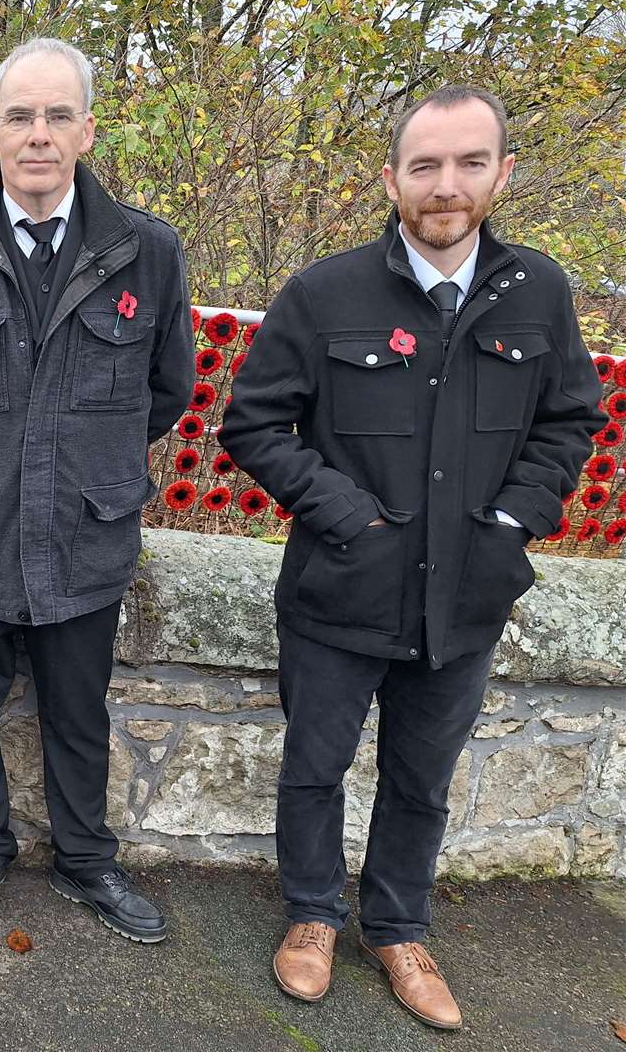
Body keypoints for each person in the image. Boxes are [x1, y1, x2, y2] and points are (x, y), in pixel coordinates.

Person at [221, 86, 604, 1028]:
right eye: (425, 165)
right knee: (313, 769)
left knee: (420, 780)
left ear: (502, 174)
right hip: (340, 589)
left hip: (467, 596)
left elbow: (571, 421)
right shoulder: (325, 293)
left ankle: (397, 929)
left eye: (470, 163)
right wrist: (342, 511)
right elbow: (255, 422)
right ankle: (311, 916)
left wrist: (517, 517)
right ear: (391, 177)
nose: (446, 185)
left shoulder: (540, 293)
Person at [0, 38, 193, 941]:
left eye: (59, 115)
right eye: (20, 115)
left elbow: (167, 391)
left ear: (87, 131)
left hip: (84, 530)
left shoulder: (148, 253)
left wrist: (86, 459)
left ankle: (85, 858)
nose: (39, 134)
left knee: (77, 710)